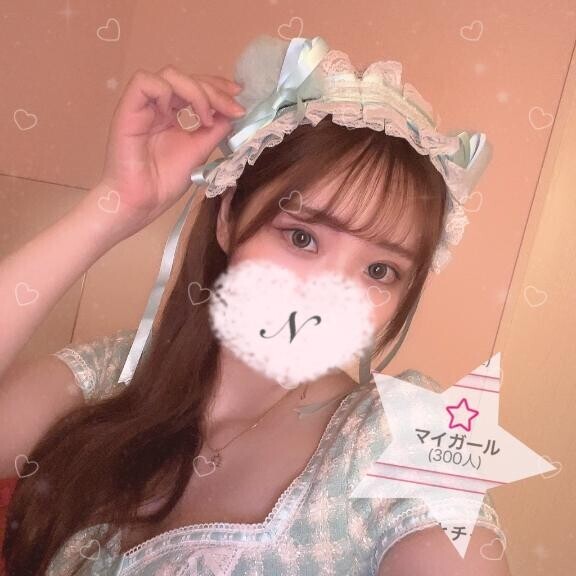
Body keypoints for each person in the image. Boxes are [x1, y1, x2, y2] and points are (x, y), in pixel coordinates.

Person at [0, 35, 511, 575]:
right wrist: (114, 206)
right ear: (228, 219)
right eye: (302, 238)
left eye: (379, 270)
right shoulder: (117, 374)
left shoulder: (404, 438)